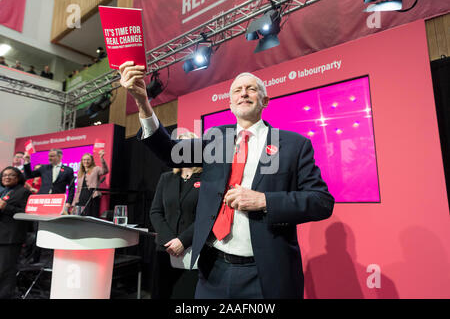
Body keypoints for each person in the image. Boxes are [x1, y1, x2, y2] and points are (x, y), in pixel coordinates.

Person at [119, 62, 335, 299]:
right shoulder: (216, 140)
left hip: (265, 275)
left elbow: (321, 201)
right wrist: (142, 102)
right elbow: (169, 151)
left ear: (264, 101)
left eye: (251, 89)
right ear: (230, 104)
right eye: (237, 90)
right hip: (213, 271)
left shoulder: (294, 145)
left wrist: (264, 201)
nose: (243, 93)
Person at [150, 132, 202, 299]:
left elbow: (207, 215)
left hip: (193, 251)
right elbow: (155, 212)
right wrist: (170, 241)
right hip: (164, 250)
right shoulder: (166, 178)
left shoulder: (207, 178)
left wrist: (183, 241)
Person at [0, 167, 31, 299]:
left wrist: (6, 207)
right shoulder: (1, 191)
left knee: (5, 271)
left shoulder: (23, 192)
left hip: (10, 238)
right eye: (4, 175)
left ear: (18, 178)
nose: (7, 177)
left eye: (11, 175)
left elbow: (26, 213)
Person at [71, 150, 108, 217]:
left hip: (92, 195)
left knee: (92, 215)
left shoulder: (96, 169)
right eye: (84, 160)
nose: (86, 161)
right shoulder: (80, 172)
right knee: (81, 216)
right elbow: (78, 190)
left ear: (92, 161)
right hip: (82, 196)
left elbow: (105, 171)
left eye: (88, 159)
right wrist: (74, 203)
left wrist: (101, 158)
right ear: (82, 161)